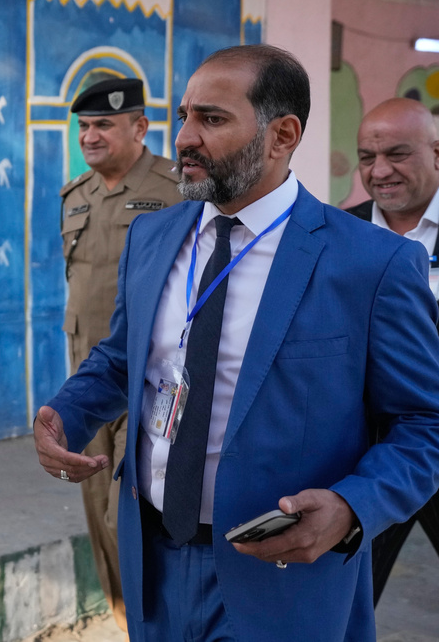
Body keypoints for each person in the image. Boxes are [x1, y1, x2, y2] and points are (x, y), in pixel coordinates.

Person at [33, 44, 439, 640]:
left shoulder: (370, 263)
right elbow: (125, 354)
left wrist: (354, 507)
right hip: (156, 568)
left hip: (285, 581)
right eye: (183, 117)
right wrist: (67, 413)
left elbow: (425, 423)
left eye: (213, 119)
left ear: (283, 135)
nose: (186, 138)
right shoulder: (152, 236)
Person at [59, 77, 180, 634]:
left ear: (139, 127)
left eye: (104, 124)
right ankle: (125, 620)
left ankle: (156, 619)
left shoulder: (176, 189)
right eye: (84, 127)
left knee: (127, 513)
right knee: (97, 520)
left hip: (149, 382)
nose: (90, 135)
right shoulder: (75, 195)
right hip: (87, 383)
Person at [349, 97, 439, 606]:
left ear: (437, 153)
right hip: (374, 459)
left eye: (398, 154)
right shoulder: (341, 235)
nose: (380, 172)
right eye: (367, 157)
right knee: (348, 603)